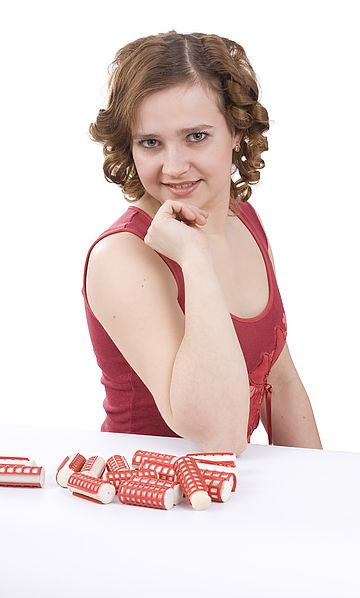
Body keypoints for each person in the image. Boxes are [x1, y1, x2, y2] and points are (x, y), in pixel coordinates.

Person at [82, 30, 322, 455]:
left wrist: (320, 494)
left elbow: (279, 383)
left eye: (196, 136)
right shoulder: (121, 256)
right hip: (147, 503)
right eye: (151, 142)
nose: (174, 167)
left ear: (236, 131)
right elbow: (218, 434)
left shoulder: (244, 220)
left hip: (228, 495)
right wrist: (194, 258)